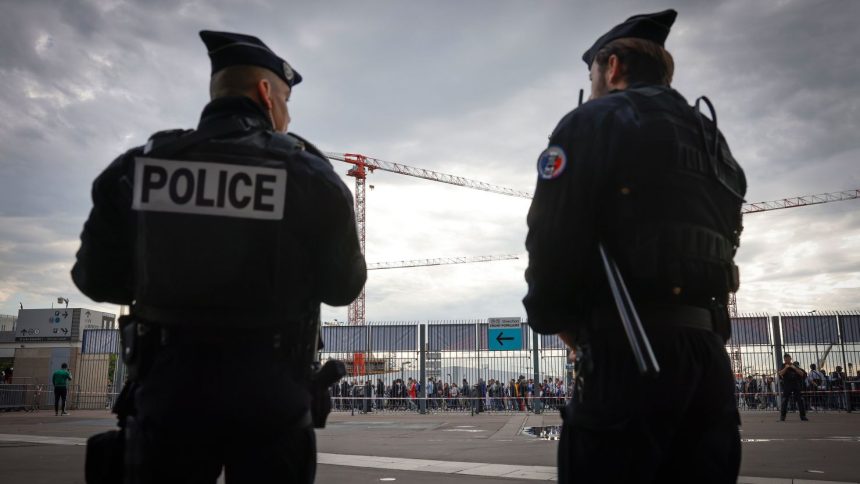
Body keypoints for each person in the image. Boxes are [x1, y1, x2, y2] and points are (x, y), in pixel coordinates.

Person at [72, 30, 366, 483]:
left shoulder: (140, 168)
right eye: (287, 100)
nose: (287, 115)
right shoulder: (306, 173)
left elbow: (95, 280)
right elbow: (344, 287)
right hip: (273, 402)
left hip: (168, 394)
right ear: (266, 94)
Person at [523, 9, 746, 483]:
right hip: (707, 360)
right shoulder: (714, 141)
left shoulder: (593, 121)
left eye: (593, 74)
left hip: (627, 355)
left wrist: (557, 322)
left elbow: (551, 236)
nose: (593, 84)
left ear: (614, 67)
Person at [778, 354, 808, 421]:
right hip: (787, 385)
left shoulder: (795, 365)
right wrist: (786, 367)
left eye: (788, 359)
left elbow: (802, 374)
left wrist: (794, 368)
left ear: (790, 359)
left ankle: (803, 416)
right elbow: (780, 374)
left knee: (800, 400)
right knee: (785, 400)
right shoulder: (783, 366)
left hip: (796, 384)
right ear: (784, 359)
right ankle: (782, 416)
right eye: (785, 359)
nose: (787, 360)